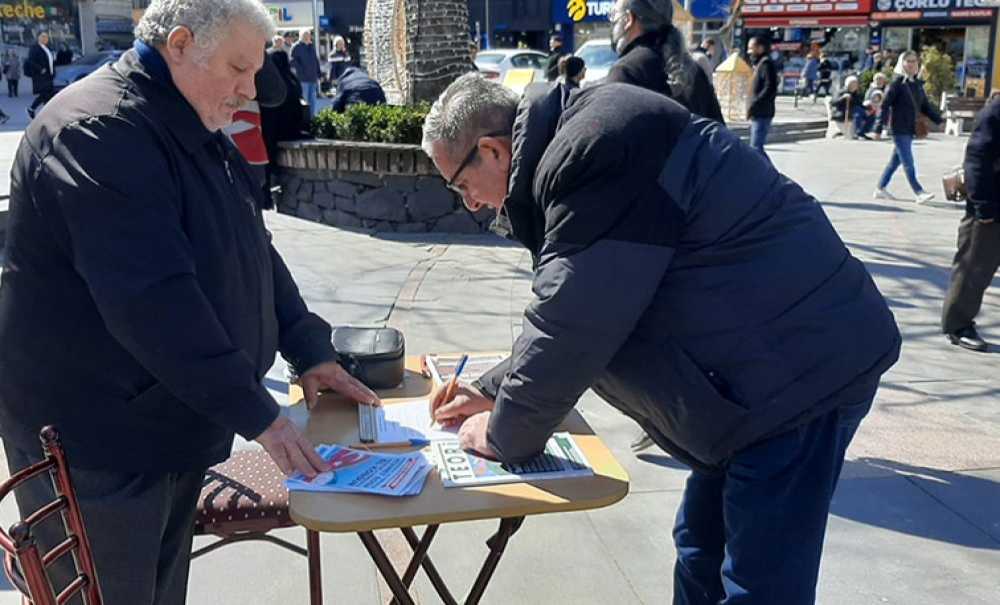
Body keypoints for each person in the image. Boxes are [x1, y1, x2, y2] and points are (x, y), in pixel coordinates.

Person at [421, 73, 900, 605]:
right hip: (753, 377)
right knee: (700, 549)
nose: (469, 204)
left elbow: (577, 318)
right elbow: (579, 305)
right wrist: (492, 388)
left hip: (798, 377)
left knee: (759, 584)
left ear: (492, 150)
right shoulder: (581, 140)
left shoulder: (594, 146)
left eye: (460, 185)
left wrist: (503, 431)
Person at [0, 1, 380, 603]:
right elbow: (154, 303)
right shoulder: (99, 131)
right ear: (179, 44)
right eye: (238, 68)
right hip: (97, 443)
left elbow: (251, 249)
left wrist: (309, 347)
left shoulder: (184, 120)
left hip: (167, 422)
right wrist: (260, 416)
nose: (249, 90)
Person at [941, 91, 1000, 352]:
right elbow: (977, 159)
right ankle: (958, 325)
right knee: (973, 270)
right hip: (990, 211)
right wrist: (984, 208)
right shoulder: (996, 112)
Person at [605, 0, 724, 124]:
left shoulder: (626, 71)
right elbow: (719, 130)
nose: (613, 25)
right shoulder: (694, 69)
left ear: (628, 19)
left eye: (614, 17)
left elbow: (608, 130)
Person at [874, 50, 943, 204]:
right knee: (908, 162)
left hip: (910, 128)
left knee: (895, 161)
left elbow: (925, 106)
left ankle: (880, 187)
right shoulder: (897, 83)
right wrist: (879, 127)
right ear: (902, 64)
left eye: (914, 61)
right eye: (908, 61)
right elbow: (885, 105)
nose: (912, 64)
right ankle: (919, 192)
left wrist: (939, 120)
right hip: (899, 128)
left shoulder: (916, 84)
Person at [262, 43, 310, 199]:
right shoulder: (292, 80)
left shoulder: (271, 85)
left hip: (274, 132)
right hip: (293, 130)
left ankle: (266, 193)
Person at [747, 36, 778, 157]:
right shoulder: (760, 64)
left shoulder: (766, 64)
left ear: (760, 48)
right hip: (759, 111)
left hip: (762, 112)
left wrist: (755, 103)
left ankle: (768, 169)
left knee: (756, 148)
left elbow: (769, 88)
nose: (749, 52)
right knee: (756, 148)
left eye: (751, 48)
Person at [291, 28, 321, 118]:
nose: (307, 37)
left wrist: (319, 73)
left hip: (313, 78)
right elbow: (292, 61)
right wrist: (301, 70)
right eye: (305, 35)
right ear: (301, 36)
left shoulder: (312, 47)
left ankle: (312, 118)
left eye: (308, 35)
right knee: (304, 100)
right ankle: (304, 119)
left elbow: (316, 60)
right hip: (302, 79)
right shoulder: (296, 47)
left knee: (313, 101)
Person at [25, 31, 55, 119]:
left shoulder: (47, 48)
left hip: (48, 75)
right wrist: (40, 69)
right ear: (38, 37)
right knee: (45, 94)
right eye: (43, 36)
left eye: (46, 37)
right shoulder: (35, 48)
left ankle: (44, 114)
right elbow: (30, 61)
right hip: (40, 75)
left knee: (48, 95)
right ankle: (32, 108)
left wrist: (53, 72)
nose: (45, 38)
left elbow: (50, 61)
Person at [830, 75, 866, 139]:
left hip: (851, 115)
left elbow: (859, 104)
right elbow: (833, 102)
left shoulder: (856, 94)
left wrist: (867, 109)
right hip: (841, 114)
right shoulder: (841, 92)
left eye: (855, 84)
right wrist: (842, 98)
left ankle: (858, 132)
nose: (854, 86)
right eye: (852, 84)